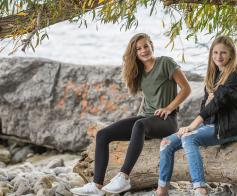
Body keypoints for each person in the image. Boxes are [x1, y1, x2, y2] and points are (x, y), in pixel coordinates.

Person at [70, 33, 191, 196]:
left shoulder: (165, 63)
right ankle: (96, 186)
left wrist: (169, 108)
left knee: (139, 125)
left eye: (145, 46)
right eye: (138, 49)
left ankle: (124, 177)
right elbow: (147, 98)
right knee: (103, 134)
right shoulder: (140, 72)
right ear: (134, 53)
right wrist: (137, 119)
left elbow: (186, 88)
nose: (143, 51)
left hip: (167, 121)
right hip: (146, 120)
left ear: (152, 46)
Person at [156, 35, 237, 196]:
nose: (219, 57)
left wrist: (192, 126)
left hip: (227, 128)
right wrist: (211, 99)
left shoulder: (235, 75)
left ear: (231, 54)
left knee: (189, 137)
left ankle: (200, 188)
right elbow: (207, 104)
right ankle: (162, 189)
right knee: (166, 142)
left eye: (223, 53)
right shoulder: (214, 74)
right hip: (209, 125)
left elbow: (217, 103)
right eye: (215, 52)